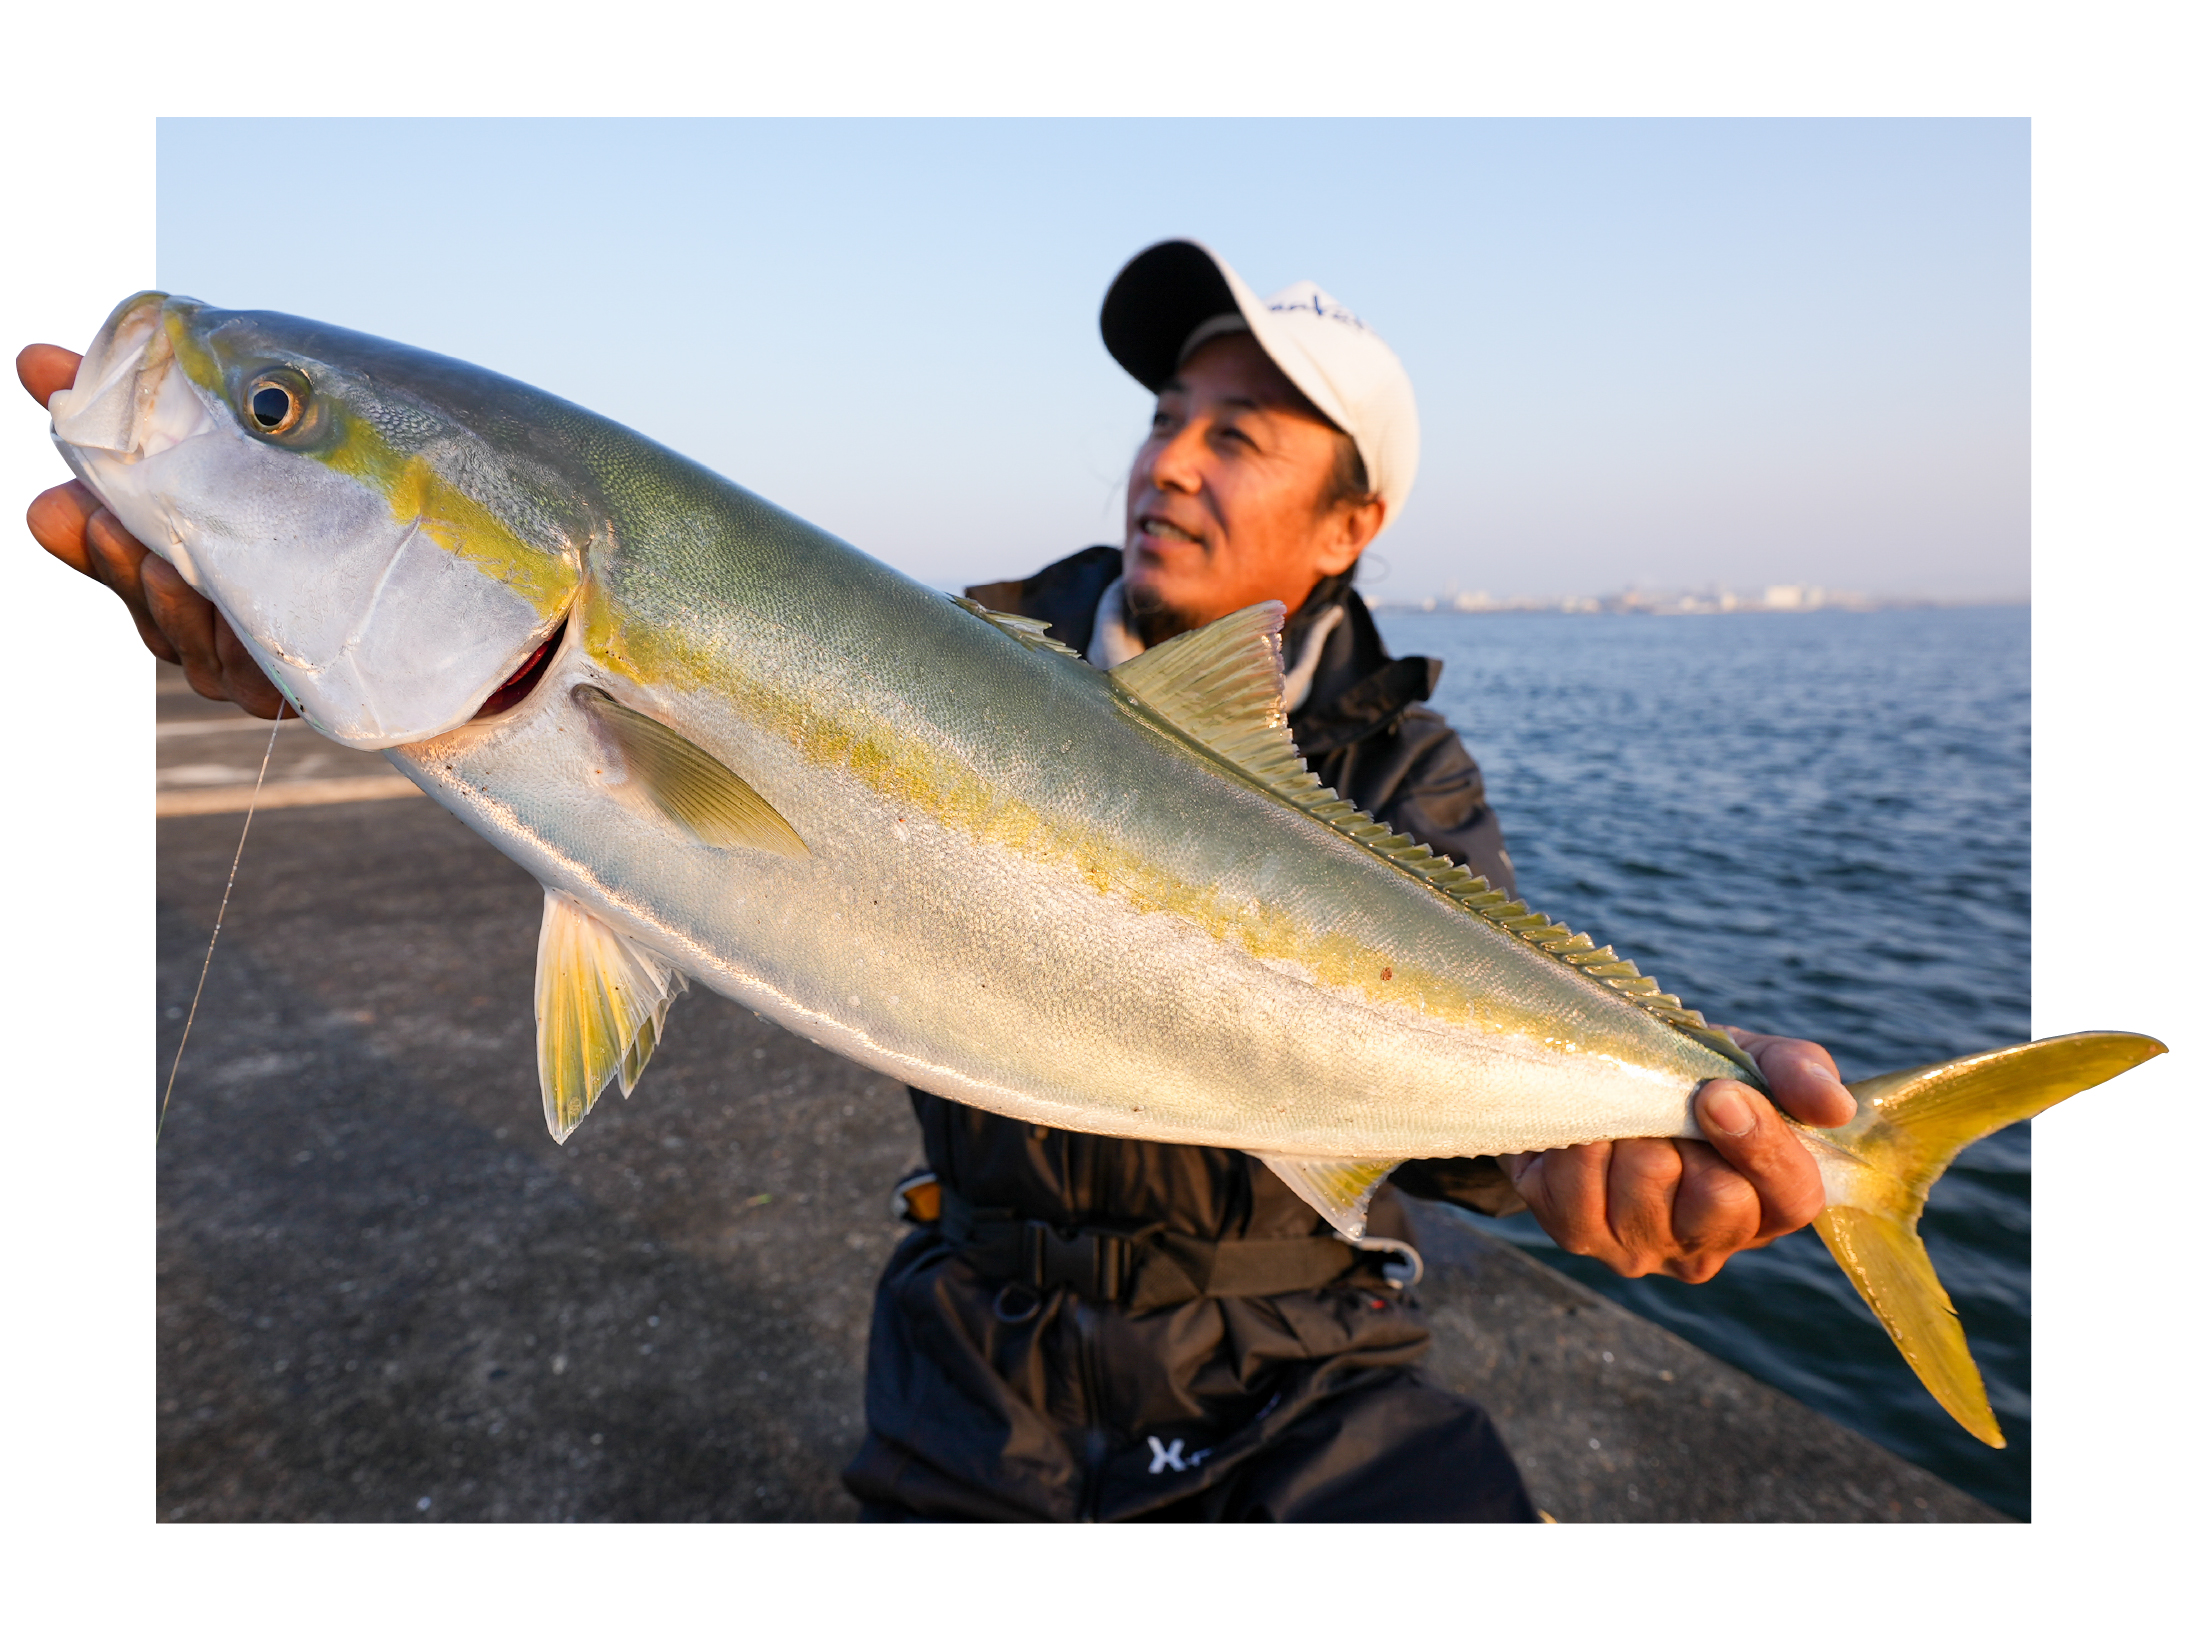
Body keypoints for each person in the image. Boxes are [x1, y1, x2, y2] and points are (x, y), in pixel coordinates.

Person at [17, 240, 1857, 1522]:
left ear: (1352, 524)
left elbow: (1461, 1124)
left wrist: (1589, 1155)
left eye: (1243, 434)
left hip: (1310, 1376)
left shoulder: (1397, 776)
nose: (1176, 461)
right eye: (1166, 413)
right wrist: (279, 625)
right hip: (982, 1360)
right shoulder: (971, 648)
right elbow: (545, 743)